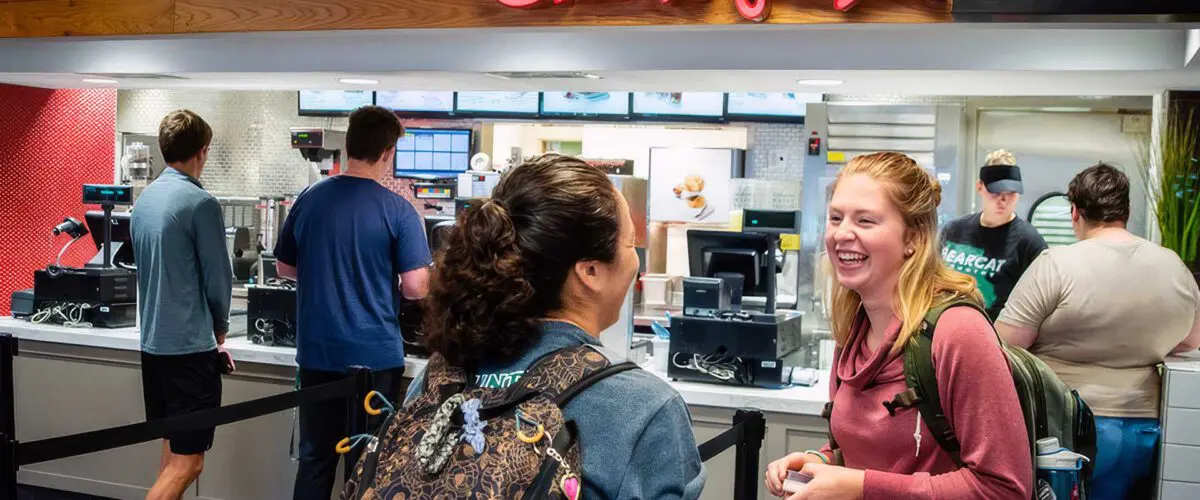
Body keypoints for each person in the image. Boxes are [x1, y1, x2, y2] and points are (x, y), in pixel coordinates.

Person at [405, 153, 705, 498]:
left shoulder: (437, 380)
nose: (635, 259)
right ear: (590, 271)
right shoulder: (645, 408)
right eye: (630, 243)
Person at [765, 152, 1031, 499]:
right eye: (835, 217)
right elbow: (889, 457)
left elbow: (1005, 488)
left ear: (914, 238)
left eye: (865, 221)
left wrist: (861, 488)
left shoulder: (958, 333)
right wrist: (822, 461)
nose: (842, 233)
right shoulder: (856, 329)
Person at [996, 163, 1200, 500]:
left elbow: (1005, 344)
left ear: (1074, 212)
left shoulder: (1056, 264)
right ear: (1127, 210)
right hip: (1145, 428)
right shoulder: (1172, 265)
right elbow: (1192, 340)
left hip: (1064, 429)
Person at [274, 106, 432, 500]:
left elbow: (284, 267)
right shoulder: (398, 210)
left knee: (315, 461)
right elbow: (416, 288)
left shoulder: (309, 199)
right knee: (368, 463)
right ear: (388, 153)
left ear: (348, 144)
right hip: (374, 361)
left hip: (317, 356)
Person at [131, 110, 232, 500]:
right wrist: (219, 328)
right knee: (190, 463)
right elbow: (218, 279)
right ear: (202, 152)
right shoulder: (200, 203)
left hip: (153, 349)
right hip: (189, 352)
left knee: (171, 454)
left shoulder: (145, 201)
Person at [941, 149, 1048, 320]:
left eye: (1011, 194)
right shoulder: (954, 230)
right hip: (945, 323)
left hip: (994, 333)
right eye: (996, 192)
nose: (1003, 201)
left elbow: (1040, 303)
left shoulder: (1029, 242)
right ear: (979, 187)